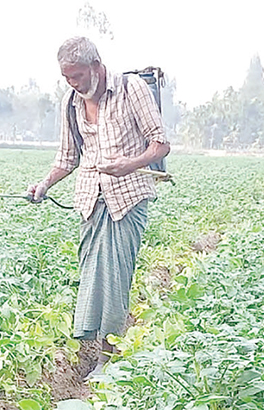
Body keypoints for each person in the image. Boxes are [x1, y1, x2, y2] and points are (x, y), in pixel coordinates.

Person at [27, 36, 170, 381]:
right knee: (92, 274)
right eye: (66, 78)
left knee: (116, 277)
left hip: (128, 196)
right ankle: (93, 348)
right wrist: (44, 184)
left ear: (96, 66)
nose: (72, 84)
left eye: (76, 76)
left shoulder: (131, 89)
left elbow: (161, 144)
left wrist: (130, 164)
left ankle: (109, 357)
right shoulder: (71, 102)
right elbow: (67, 157)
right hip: (91, 198)